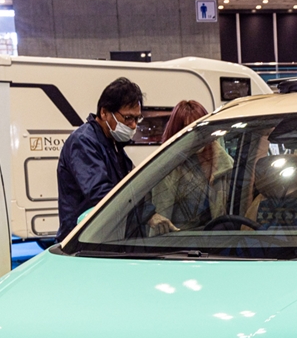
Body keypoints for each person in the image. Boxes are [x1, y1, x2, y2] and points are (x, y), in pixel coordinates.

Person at [55, 77, 143, 240]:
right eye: (127, 118)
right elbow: (100, 193)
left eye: (137, 119)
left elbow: (131, 184)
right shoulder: (83, 141)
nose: (133, 125)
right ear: (104, 113)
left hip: (105, 236)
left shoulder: (113, 143)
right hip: (83, 240)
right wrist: (147, 213)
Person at [143, 100, 235, 234]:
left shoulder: (225, 164)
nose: (196, 135)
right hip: (177, 240)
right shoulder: (165, 166)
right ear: (177, 132)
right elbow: (156, 210)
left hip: (217, 239)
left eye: (200, 128)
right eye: (188, 129)